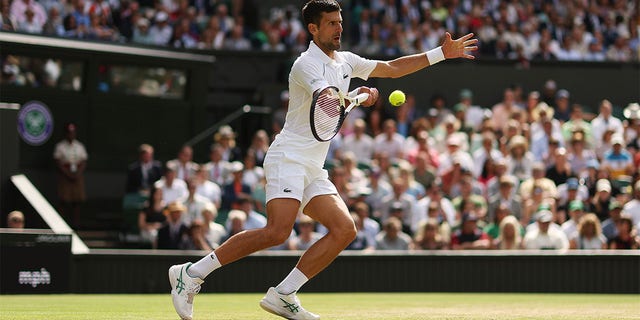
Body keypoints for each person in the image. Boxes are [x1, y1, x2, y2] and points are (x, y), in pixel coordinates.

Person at [168, 1, 477, 319]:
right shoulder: (305, 65)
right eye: (331, 23)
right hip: (288, 157)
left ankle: (283, 294)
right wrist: (359, 96)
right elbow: (328, 104)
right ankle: (191, 273)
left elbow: (391, 68)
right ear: (313, 29)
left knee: (345, 229)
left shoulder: (346, 61)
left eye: (340, 22)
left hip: (313, 166)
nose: (339, 27)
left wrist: (440, 54)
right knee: (277, 231)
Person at [53, 122, 88, 228]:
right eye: (69, 133)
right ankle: (61, 224)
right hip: (65, 175)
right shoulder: (60, 146)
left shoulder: (80, 146)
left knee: (77, 201)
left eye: (73, 132)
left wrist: (78, 173)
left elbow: (83, 161)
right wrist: (67, 173)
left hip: (77, 175)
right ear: (65, 133)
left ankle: (76, 224)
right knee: (64, 200)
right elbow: (58, 162)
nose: (71, 135)